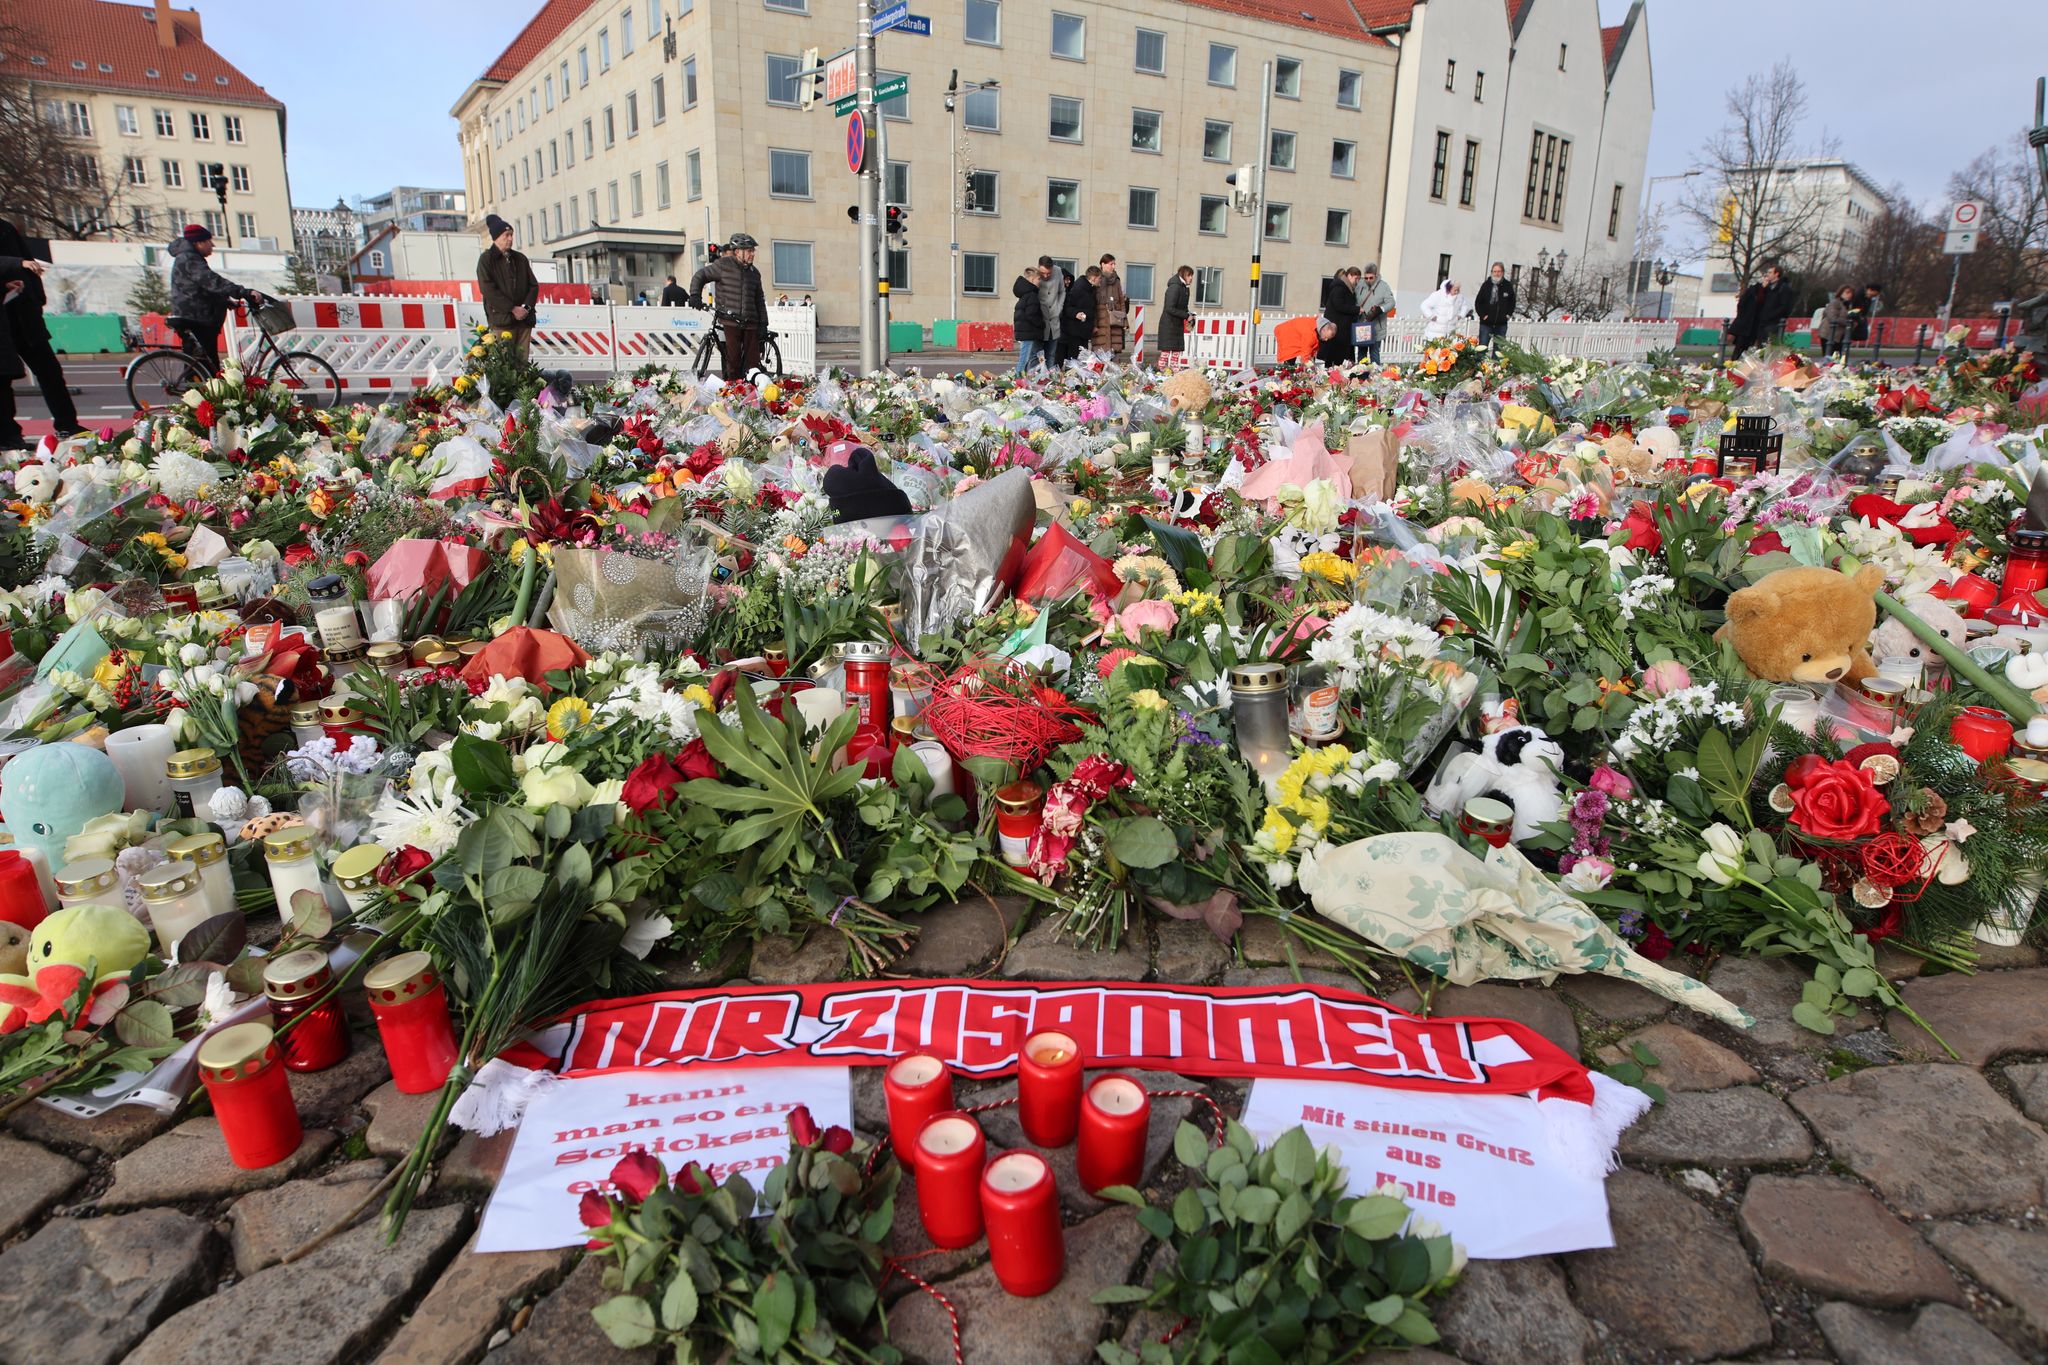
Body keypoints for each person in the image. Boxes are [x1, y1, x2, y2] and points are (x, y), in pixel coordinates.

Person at [0, 219, 80, 444]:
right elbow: (23, 261)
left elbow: (29, 262)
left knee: (50, 372)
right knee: (4, 381)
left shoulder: (6, 228)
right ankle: (10, 435)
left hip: (24, 313)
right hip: (6, 318)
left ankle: (67, 425)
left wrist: (36, 299)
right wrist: (18, 264)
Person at [168, 223, 262, 376]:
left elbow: (201, 288)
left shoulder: (188, 257)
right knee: (206, 366)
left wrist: (223, 301)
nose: (212, 245)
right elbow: (212, 281)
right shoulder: (190, 258)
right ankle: (197, 394)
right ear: (199, 243)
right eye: (208, 241)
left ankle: (196, 391)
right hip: (197, 318)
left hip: (195, 316)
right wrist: (243, 292)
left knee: (202, 364)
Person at [687, 231, 769, 381]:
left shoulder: (754, 273)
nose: (752, 254)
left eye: (753, 251)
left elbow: (759, 300)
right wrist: (695, 295)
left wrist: (763, 323)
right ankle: (733, 392)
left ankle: (753, 392)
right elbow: (700, 276)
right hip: (730, 320)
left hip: (751, 322)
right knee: (733, 362)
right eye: (749, 251)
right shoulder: (723, 265)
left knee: (753, 364)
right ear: (738, 252)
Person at [476, 214, 539, 357]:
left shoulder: (520, 259)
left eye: (511, 235)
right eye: (506, 235)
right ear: (496, 237)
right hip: (501, 321)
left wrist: (526, 308)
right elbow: (488, 289)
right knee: (504, 364)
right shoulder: (486, 260)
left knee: (522, 363)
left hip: (524, 321)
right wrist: (511, 308)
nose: (510, 239)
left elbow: (533, 285)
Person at [1729, 261, 1795, 357]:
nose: (1767, 275)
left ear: (1776, 274)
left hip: (1772, 323)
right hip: (1760, 324)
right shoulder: (1765, 288)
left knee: (1768, 349)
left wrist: (1770, 316)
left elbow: (1785, 307)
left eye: (1769, 272)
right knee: (1756, 348)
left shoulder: (1784, 288)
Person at [1353, 262, 1397, 365]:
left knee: (1374, 354)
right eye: (1366, 278)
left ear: (1376, 276)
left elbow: (1391, 302)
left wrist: (1381, 309)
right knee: (1361, 354)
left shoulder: (1384, 286)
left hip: (1376, 327)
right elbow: (1354, 299)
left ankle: (1375, 376)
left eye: (1371, 278)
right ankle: (1361, 377)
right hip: (1362, 325)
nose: (1368, 280)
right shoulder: (1360, 285)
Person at [1318, 267, 1363, 367]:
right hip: (1337, 327)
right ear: (1349, 276)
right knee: (1335, 355)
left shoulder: (1348, 288)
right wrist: (1356, 309)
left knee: (1341, 356)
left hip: (1343, 327)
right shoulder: (1339, 288)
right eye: (1356, 278)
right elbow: (1339, 305)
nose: (1357, 281)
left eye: (1359, 279)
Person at [1011, 263, 1047, 375]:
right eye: (1038, 279)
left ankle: (1023, 378)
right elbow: (1032, 314)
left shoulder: (1025, 294)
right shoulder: (1032, 295)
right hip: (1028, 332)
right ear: (1032, 279)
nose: (1040, 281)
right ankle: (1017, 379)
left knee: (1027, 358)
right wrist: (1042, 324)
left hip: (1025, 331)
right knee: (1024, 359)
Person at [1092, 253, 1129, 356]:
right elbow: (1093, 303)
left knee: (1113, 352)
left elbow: (1121, 301)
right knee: (1099, 352)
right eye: (1111, 264)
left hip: (1115, 318)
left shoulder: (1116, 280)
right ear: (1103, 264)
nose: (1113, 266)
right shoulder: (1097, 279)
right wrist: (1093, 324)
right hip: (1100, 320)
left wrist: (1125, 321)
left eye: (1114, 264)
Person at [1060, 266, 1098, 364]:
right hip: (1075, 331)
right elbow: (1067, 307)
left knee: (1082, 359)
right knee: (1074, 359)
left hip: (1083, 331)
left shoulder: (1090, 289)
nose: (1100, 281)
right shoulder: (1079, 288)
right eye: (1099, 278)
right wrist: (1076, 313)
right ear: (1094, 278)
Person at [1474, 262, 1515, 349]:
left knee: (1498, 351)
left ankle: (1496, 363)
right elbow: (1478, 302)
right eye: (1495, 271)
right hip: (1486, 324)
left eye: (1499, 271)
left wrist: (1508, 315)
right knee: (1482, 348)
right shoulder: (1486, 285)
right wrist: (1483, 315)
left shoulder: (1508, 286)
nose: (1497, 273)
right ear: (1491, 272)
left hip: (1501, 324)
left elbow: (1512, 302)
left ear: (1503, 272)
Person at [1036, 256, 1067, 366]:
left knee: (1051, 354)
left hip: (1054, 318)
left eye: (1048, 273)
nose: (1045, 276)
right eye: (1043, 273)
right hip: (1040, 319)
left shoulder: (1058, 271)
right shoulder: (1034, 273)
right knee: (1037, 355)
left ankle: (1049, 378)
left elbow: (1062, 291)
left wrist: (1059, 308)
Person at [1159, 265, 1193, 358]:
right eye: (1189, 275)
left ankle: (1174, 369)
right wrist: (1185, 315)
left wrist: (1189, 314)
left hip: (1177, 324)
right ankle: (1162, 369)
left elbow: (1184, 306)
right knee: (1166, 351)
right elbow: (1169, 307)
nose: (1191, 278)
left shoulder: (1185, 288)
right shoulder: (1175, 287)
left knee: (1176, 351)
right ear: (1183, 275)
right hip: (1169, 324)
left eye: (1191, 275)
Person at [1820, 285, 1855, 357]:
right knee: (1829, 356)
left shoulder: (1849, 305)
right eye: (1847, 293)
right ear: (1841, 293)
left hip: (1840, 335)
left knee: (1837, 357)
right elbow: (1832, 318)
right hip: (1829, 333)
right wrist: (1848, 323)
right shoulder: (1835, 302)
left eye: (1851, 293)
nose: (1849, 295)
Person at [1849, 281, 1884, 349]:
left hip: (1859, 317)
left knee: (1863, 335)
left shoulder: (1868, 298)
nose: (1874, 297)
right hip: (1855, 317)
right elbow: (1855, 307)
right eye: (1874, 295)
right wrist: (1857, 318)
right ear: (1870, 290)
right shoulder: (1859, 294)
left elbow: (1865, 310)